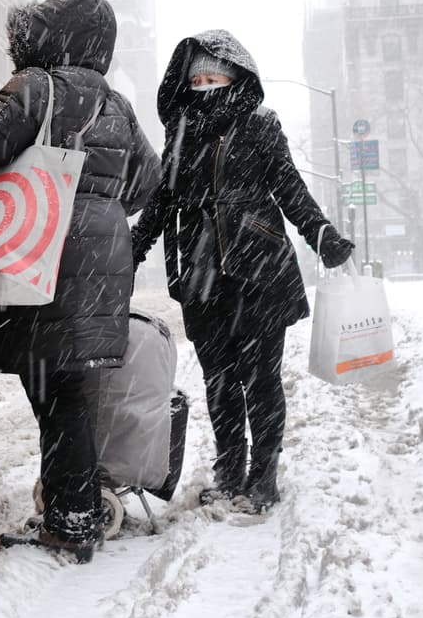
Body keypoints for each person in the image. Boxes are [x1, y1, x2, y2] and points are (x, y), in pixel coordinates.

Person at [0, 0, 160, 562]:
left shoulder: (39, 87)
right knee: (72, 388)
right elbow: (148, 181)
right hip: (103, 259)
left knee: (57, 392)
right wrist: (98, 197)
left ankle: (71, 524)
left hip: (50, 250)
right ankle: (77, 507)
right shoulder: (116, 104)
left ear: (52, 37)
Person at [131, 30, 356, 513]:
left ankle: (264, 474)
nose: (206, 85)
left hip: (259, 272)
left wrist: (323, 237)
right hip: (201, 274)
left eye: (215, 76)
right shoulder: (182, 130)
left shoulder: (260, 124)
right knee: (218, 380)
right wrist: (132, 247)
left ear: (236, 76)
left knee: (260, 379)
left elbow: (288, 187)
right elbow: (161, 199)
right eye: (197, 79)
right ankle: (230, 469)